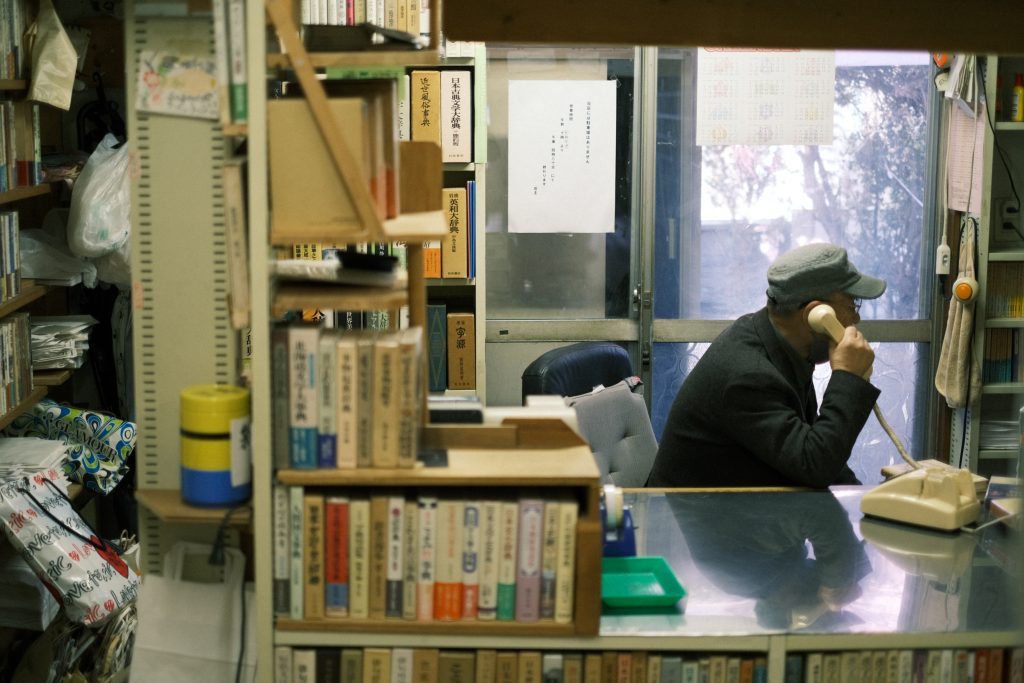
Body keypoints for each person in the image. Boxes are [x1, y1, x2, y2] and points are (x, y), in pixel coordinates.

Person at [646, 242, 885, 488]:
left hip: (733, 511)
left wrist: (868, 499)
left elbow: (817, 448)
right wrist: (848, 377)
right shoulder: (749, 376)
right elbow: (815, 465)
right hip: (687, 518)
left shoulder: (777, 344)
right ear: (817, 314)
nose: (856, 318)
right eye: (851, 305)